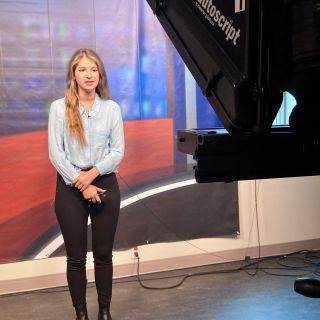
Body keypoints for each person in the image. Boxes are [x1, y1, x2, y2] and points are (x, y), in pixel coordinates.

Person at [48, 48, 125, 320]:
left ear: (100, 73)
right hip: (70, 188)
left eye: (93, 69)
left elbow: (117, 152)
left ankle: (104, 312)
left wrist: (91, 176)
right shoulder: (59, 108)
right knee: (76, 258)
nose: (88, 74)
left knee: (103, 255)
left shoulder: (111, 109)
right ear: (73, 74)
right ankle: (81, 314)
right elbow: (56, 155)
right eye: (82, 69)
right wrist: (82, 184)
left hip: (104, 185)